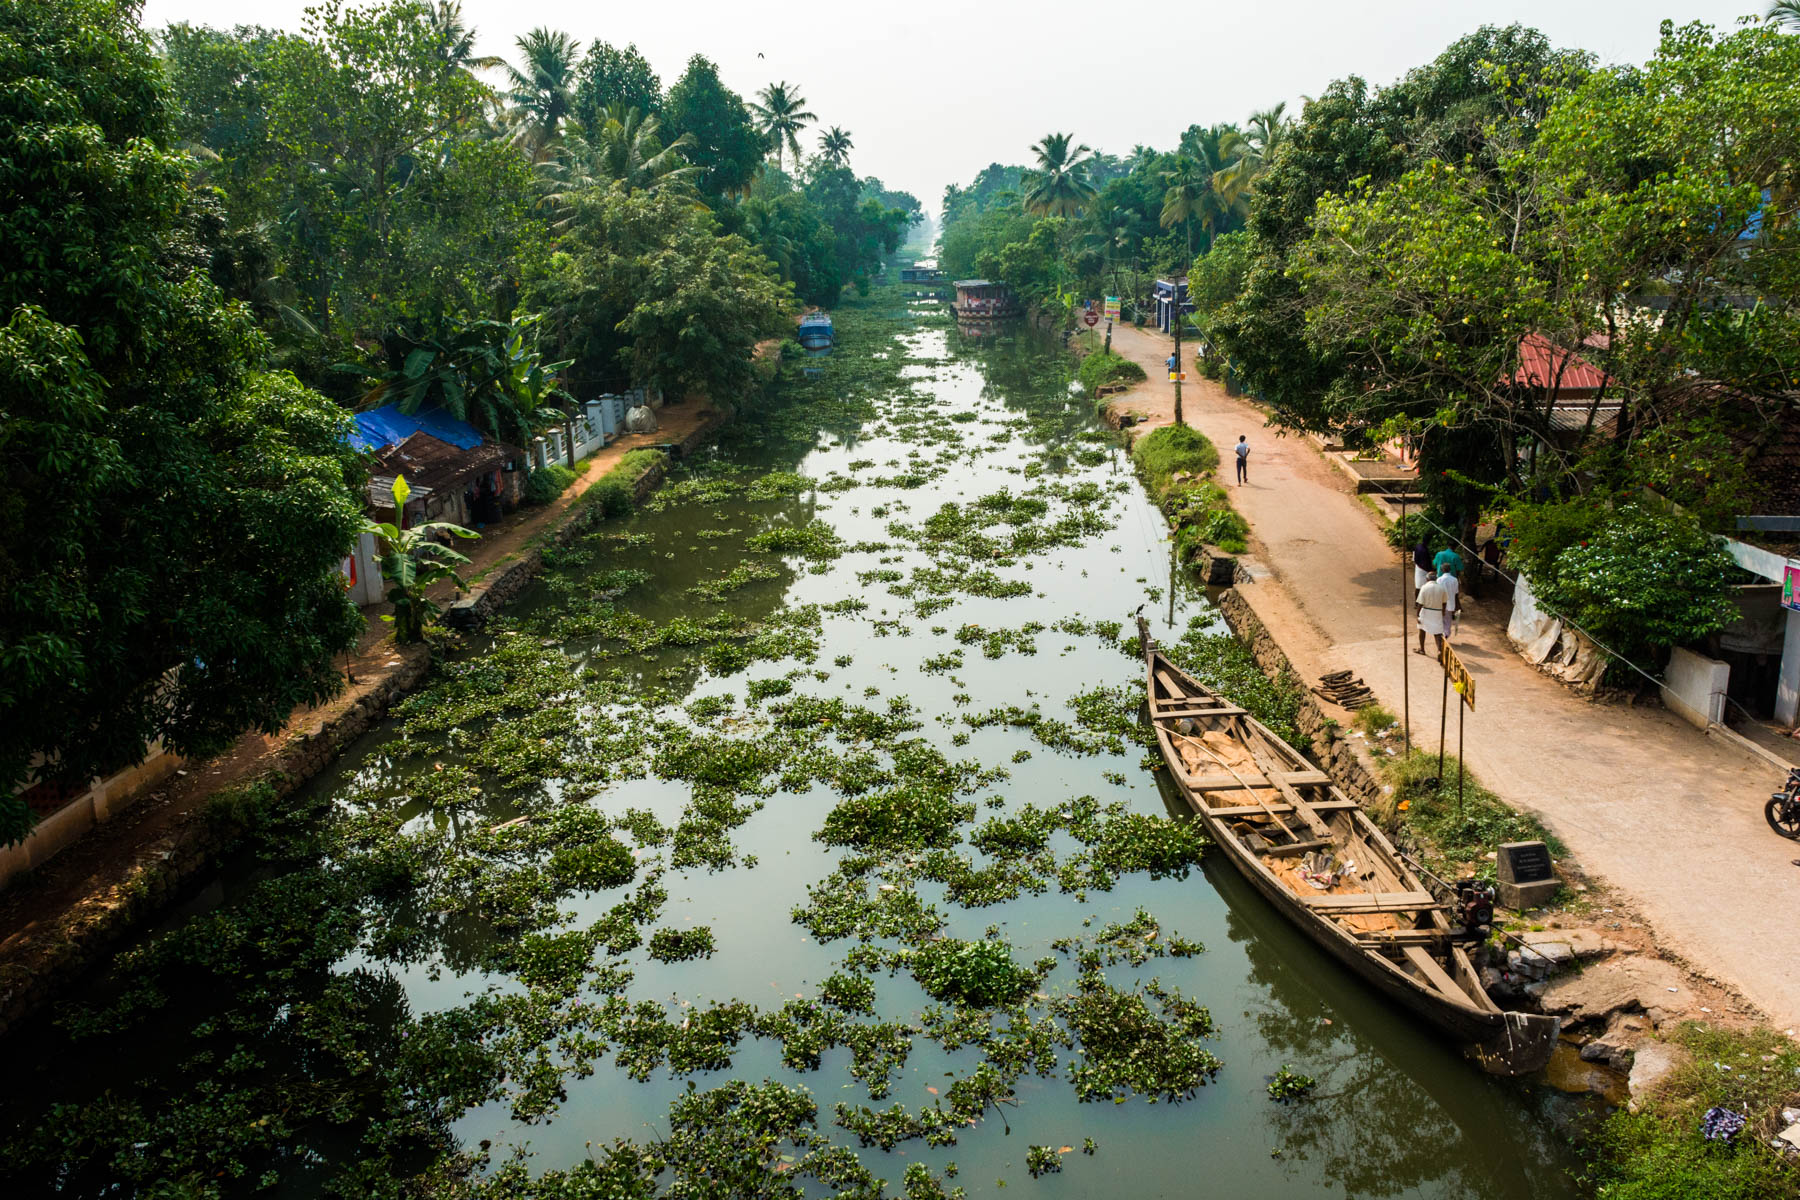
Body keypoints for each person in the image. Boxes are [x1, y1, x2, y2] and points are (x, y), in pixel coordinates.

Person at [1416, 574, 1449, 657]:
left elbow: (1420, 603)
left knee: (1422, 630)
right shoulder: (1442, 588)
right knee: (1437, 632)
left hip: (1426, 611)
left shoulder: (1424, 587)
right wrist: (1443, 612)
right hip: (1437, 612)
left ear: (1427, 579)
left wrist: (1417, 614)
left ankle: (1422, 649)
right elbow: (1444, 602)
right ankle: (1439, 650)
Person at [1437, 566, 1461, 642]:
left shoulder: (1439, 579)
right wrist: (1457, 604)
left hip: (1441, 603)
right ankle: (1446, 634)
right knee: (1448, 620)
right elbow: (1456, 593)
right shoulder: (1454, 580)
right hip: (1450, 603)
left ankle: (1441, 634)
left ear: (1442, 570)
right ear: (1450, 570)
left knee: (1440, 619)